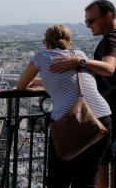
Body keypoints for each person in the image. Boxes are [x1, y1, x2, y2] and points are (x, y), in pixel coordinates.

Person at [16, 24, 112, 188]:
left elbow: (21, 86)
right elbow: (72, 82)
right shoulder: (79, 54)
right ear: (68, 42)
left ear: (46, 42)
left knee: (58, 178)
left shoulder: (41, 56)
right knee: (86, 179)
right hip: (102, 119)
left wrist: (38, 81)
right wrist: (44, 81)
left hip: (71, 122)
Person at [49, 0, 116, 188]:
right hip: (107, 112)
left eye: (91, 21)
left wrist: (79, 62)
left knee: (102, 166)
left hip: (106, 111)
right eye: (86, 22)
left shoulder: (111, 39)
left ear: (108, 16)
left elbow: (110, 68)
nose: (88, 26)